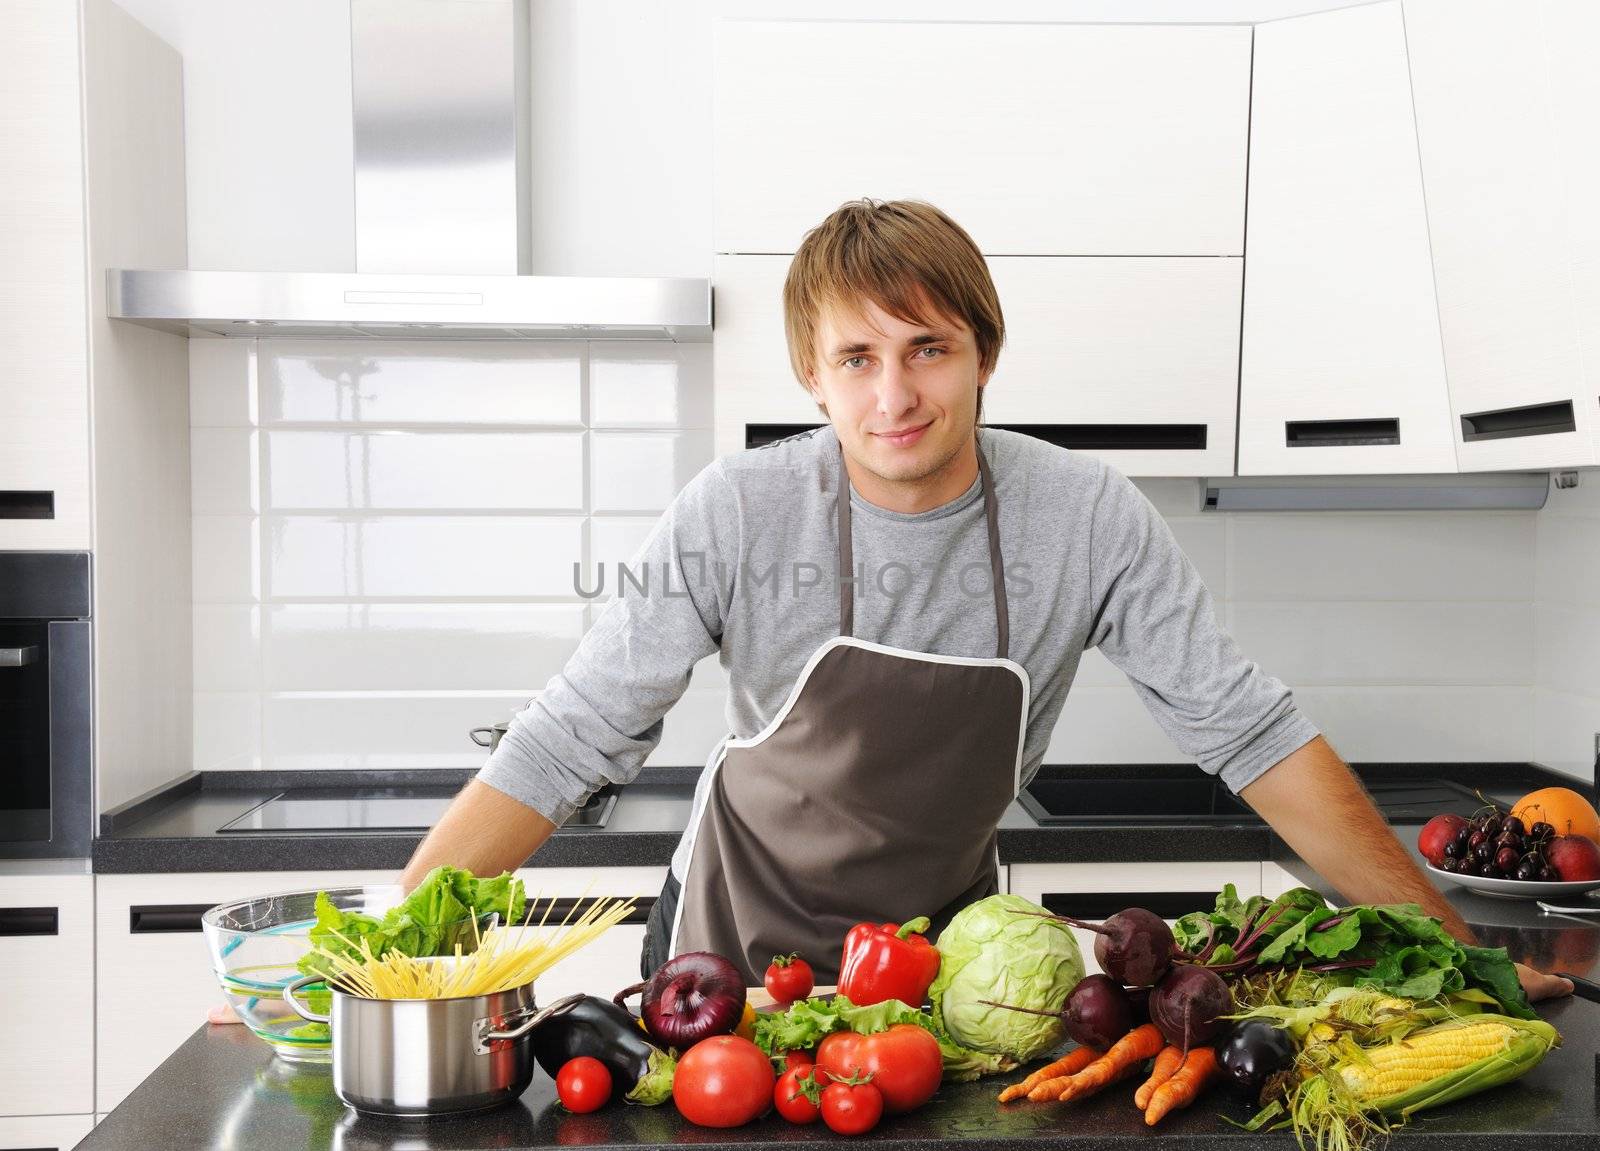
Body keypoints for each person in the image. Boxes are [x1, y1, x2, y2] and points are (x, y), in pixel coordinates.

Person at [209, 199, 1569, 1024]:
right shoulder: (737, 511)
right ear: (810, 370)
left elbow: (1253, 736)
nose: (896, 393)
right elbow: (567, 745)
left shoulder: (1085, 514)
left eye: (930, 347)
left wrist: (1459, 959)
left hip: (946, 974)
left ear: (984, 352)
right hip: (726, 969)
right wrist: (379, 963)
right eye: (858, 356)